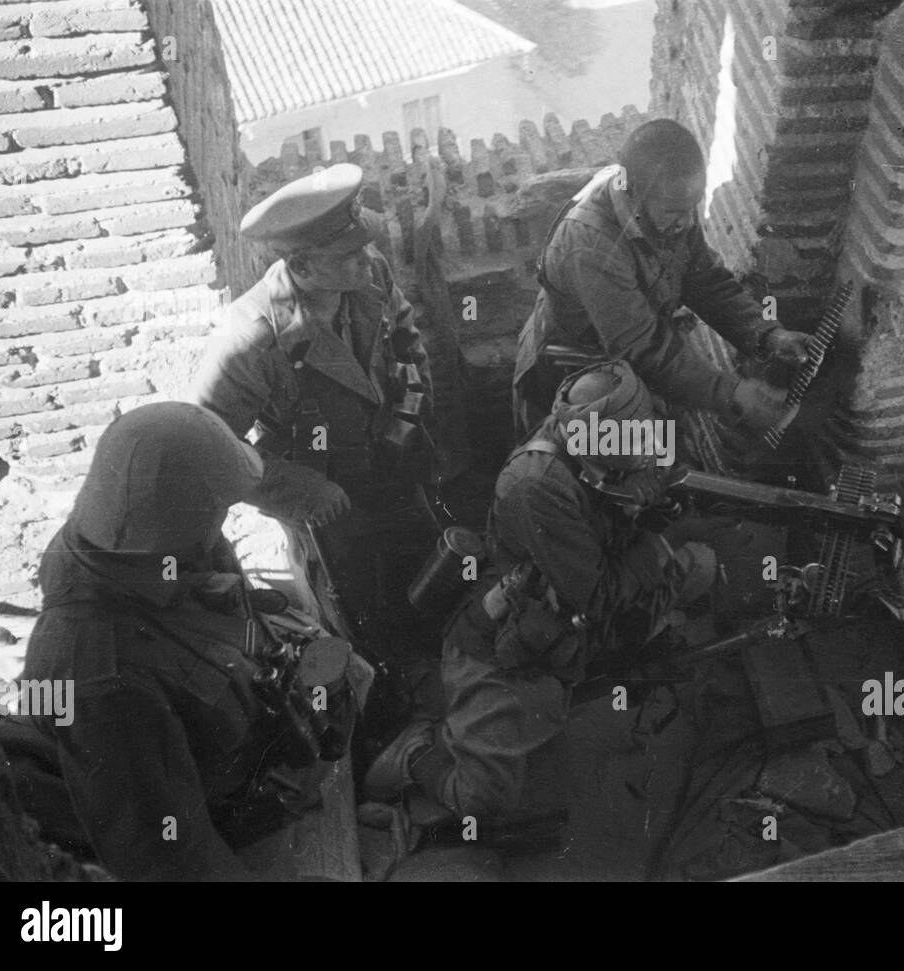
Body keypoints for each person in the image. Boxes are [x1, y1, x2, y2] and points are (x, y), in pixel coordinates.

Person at [0, 403, 354, 881]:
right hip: (204, 820)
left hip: (236, 756)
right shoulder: (103, 678)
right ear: (181, 517)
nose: (223, 517)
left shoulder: (134, 543)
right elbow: (168, 857)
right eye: (217, 507)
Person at [364, 361, 717, 819]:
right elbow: (599, 596)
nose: (648, 448)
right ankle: (415, 752)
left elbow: (656, 471)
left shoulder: (601, 434)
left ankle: (617, 651)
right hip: (516, 637)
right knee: (484, 801)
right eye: (634, 442)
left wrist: (665, 496)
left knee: (703, 565)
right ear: (592, 439)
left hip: (585, 588)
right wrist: (667, 537)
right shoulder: (535, 487)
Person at [193, 163, 439, 745]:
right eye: (347, 254)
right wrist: (300, 492)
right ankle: (380, 720)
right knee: (352, 609)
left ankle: (431, 675)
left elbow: (404, 333)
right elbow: (209, 448)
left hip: (392, 463)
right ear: (300, 266)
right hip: (327, 499)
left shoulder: (366, 273)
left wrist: (409, 411)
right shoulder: (250, 339)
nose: (366, 257)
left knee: (423, 572)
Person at [513, 118, 813, 438]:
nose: (687, 221)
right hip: (573, 377)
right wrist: (731, 393)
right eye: (675, 211)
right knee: (588, 472)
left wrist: (766, 335)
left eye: (691, 207)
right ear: (632, 195)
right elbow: (643, 347)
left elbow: (705, 281)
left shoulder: (672, 205)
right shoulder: (591, 245)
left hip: (623, 360)